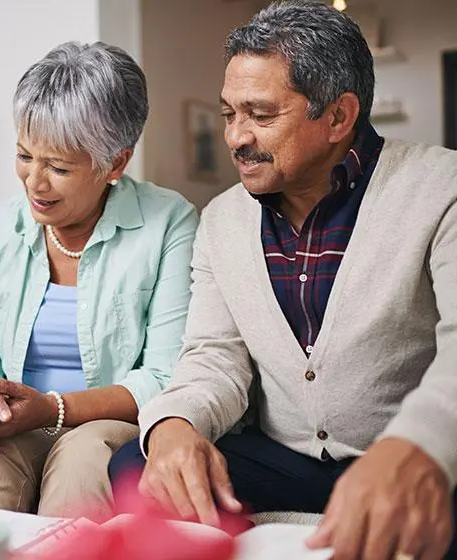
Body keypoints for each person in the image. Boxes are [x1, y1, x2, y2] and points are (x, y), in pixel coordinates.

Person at [109, 2, 457, 559]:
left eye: (261, 115)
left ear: (339, 117)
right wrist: (173, 423)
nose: (236, 138)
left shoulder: (442, 188)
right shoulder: (221, 221)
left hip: (410, 455)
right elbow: (214, 356)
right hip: (290, 463)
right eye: (228, 114)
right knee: (135, 463)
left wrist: (417, 447)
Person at [0, 41, 198, 518]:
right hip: (18, 422)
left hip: (110, 423)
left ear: (115, 163)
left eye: (58, 167)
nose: (34, 182)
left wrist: (53, 408)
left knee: (83, 457)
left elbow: (166, 378)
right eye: (24, 156)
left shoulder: (169, 223)